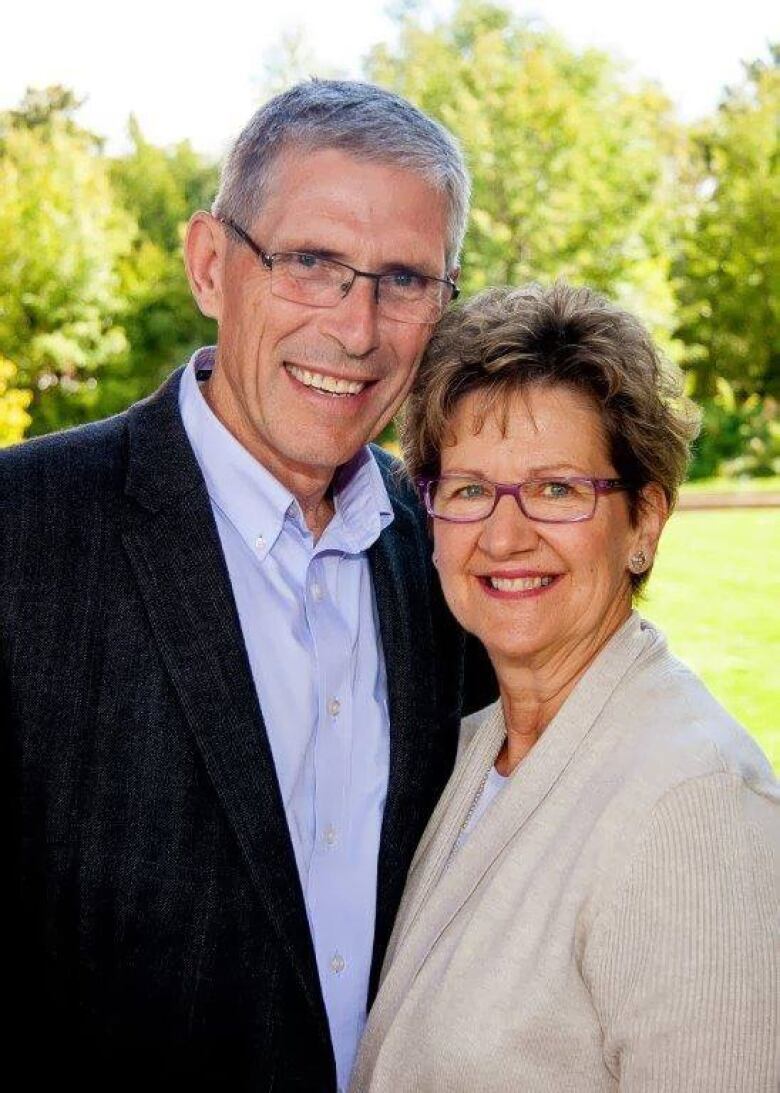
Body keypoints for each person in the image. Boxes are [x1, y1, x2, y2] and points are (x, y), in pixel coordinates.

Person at [0, 81, 494, 1092]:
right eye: (311, 262)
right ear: (210, 264)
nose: (357, 328)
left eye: (404, 280)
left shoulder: (455, 566)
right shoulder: (21, 536)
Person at [352, 282, 780, 1092]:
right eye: (471, 489)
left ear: (644, 524)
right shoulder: (477, 746)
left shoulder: (696, 808)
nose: (506, 536)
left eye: (557, 488)